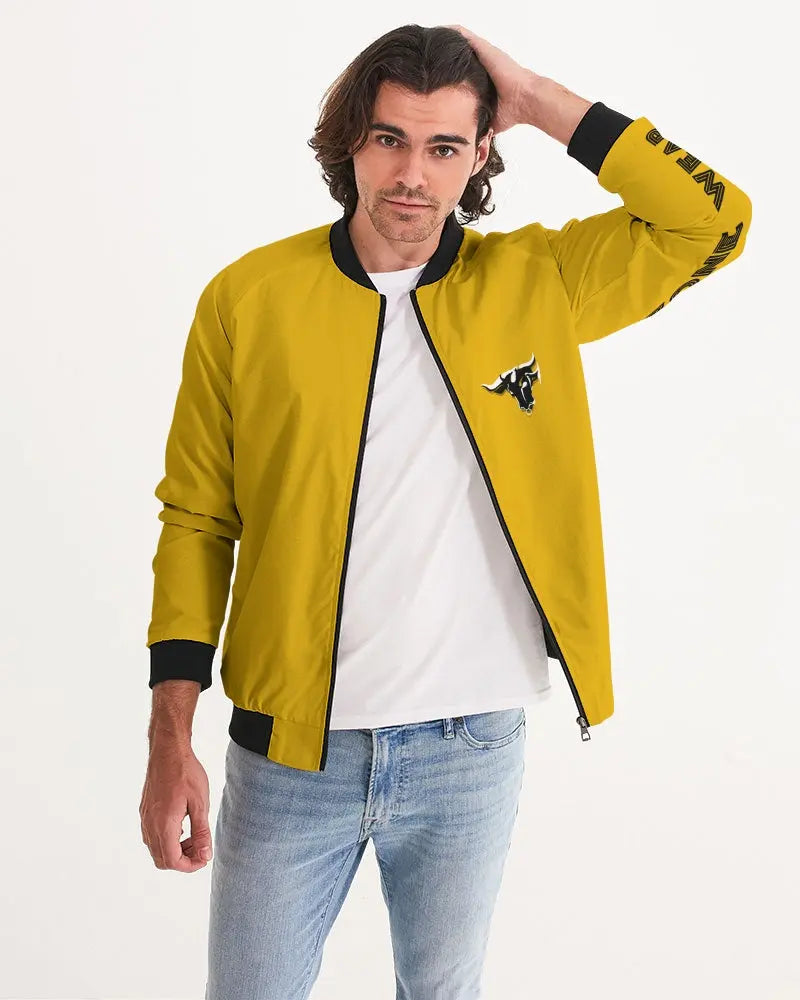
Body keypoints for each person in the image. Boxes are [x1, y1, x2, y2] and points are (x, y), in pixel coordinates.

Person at [139, 22, 752, 999]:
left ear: (479, 155)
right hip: (289, 751)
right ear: (350, 139)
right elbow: (197, 520)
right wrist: (170, 737)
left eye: (443, 146)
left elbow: (712, 219)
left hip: (469, 748)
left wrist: (539, 98)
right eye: (390, 139)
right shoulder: (248, 299)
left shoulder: (537, 283)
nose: (412, 175)